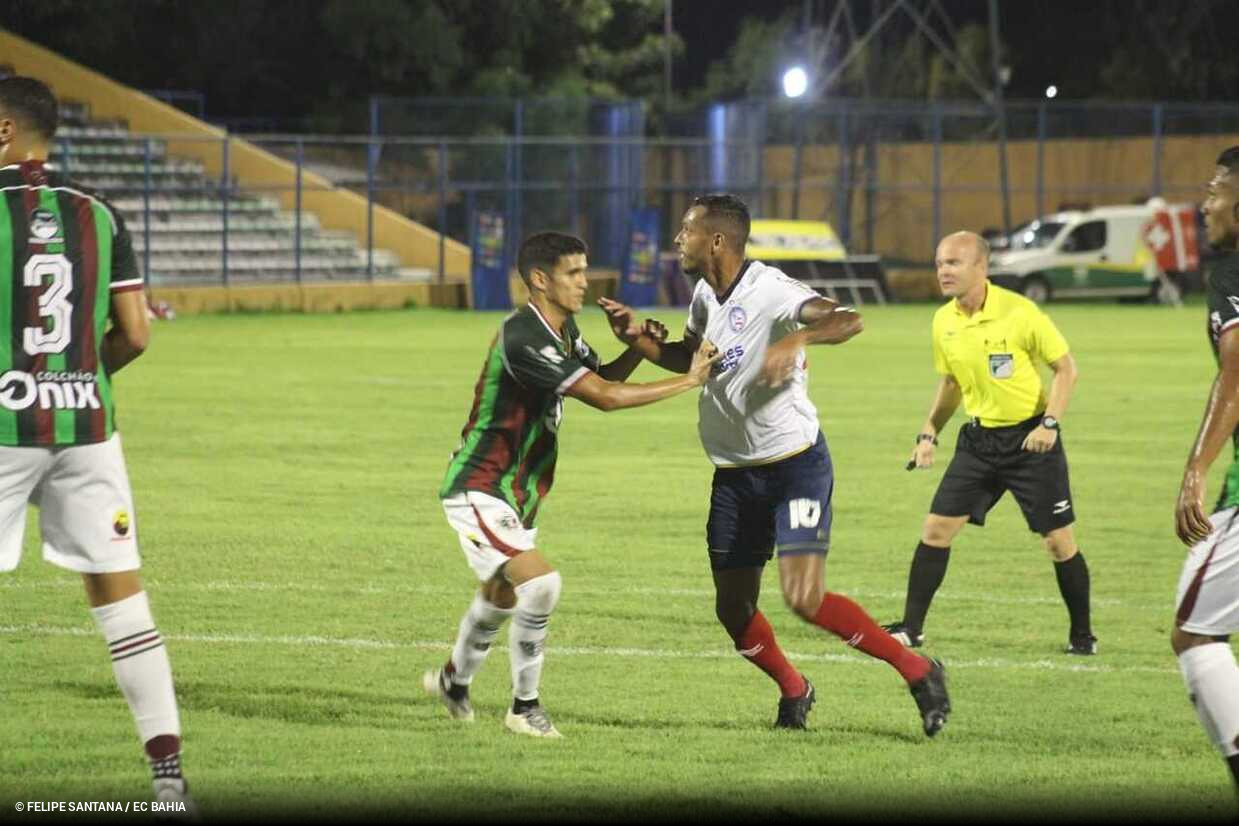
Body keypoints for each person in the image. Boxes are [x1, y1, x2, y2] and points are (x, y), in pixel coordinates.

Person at [599, 195, 950, 736]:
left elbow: (847, 319)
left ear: (716, 240)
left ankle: (918, 670)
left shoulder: (771, 289)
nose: (677, 240)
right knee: (733, 610)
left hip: (795, 467)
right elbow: (692, 358)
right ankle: (795, 688)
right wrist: (643, 345)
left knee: (804, 597)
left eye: (686, 231)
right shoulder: (702, 295)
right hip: (735, 476)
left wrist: (798, 337)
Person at [425, 231, 719, 738]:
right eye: (574, 273)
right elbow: (602, 396)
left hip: (515, 490)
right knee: (541, 584)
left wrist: (638, 348)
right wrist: (690, 379)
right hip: (479, 485)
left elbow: (599, 374)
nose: (586, 282)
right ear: (540, 279)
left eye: (586, 270)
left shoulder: (561, 330)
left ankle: (454, 680)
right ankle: (524, 708)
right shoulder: (524, 335)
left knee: (501, 594)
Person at [0, 76, 194, 810]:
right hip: (86, 426)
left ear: (4, 131)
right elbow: (137, 333)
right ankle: (168, 777)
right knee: (119, 598)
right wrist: (78, 376)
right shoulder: (100, 214)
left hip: (2, 425)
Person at [882, 231, 1094, 656]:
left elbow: (1066, 369)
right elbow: (950, 382)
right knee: (936, 530)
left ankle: (1083, 637)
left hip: (1030, 440)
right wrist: (928, 433)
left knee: (1058, 541)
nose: (944, 270)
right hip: (979, 442)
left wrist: (1049, 424)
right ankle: (912, 628)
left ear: (982, 267)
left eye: (955, 263)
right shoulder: (943, 320)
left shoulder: (1020, 312)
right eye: (940, 262)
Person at [1171, 146, 1239, 794]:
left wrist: (1195, 469)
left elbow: (1236, 367)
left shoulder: (1230, 270)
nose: (1204, 203)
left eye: (1215, 191)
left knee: (1194, 632)